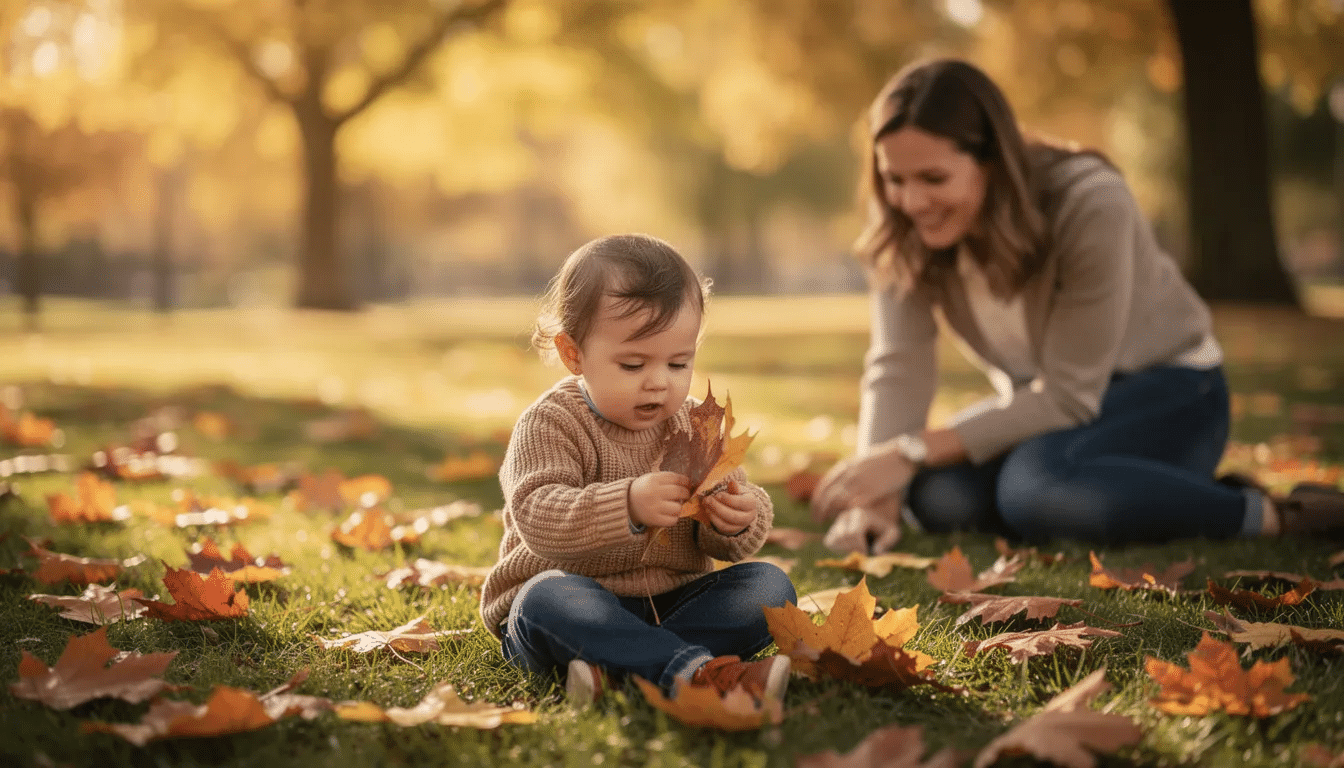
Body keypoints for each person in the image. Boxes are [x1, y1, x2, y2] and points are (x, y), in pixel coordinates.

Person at [811, 58, 1344, 552]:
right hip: (1048, 410)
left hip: (1172, 391)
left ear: (994, 160)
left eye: (933, 178)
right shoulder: (902, 228)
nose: (911, 201)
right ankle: (1146, 493)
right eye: (894, 178)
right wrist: (872, 495)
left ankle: (1275, 514)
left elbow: (1070, 395)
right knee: (934, 495)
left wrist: (907, 451)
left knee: (1037, 490)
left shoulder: (1091, 202)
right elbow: (898, 365)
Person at [479, 233, 797, 707]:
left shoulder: (693, 423)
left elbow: (727, 529)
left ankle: (621, 669)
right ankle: (695, 672)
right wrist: (626, 505)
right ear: (574, 355)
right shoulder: (551, 422)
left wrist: (739, 518)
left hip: (672, 606)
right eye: (632, 364)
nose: (659, 381)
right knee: (545, 598)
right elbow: (538, 516)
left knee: (769, 587)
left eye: (678, 362)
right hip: (575, 603)